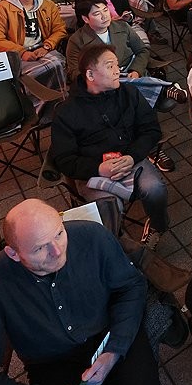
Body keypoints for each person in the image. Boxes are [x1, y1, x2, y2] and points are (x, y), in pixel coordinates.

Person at [0, 198, 160, 385]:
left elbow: (131, 286)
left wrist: (115, 350)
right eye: (40, 248)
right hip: (52, 363)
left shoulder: (93, 236)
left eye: (59, 233)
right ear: (13, 254)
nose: (57, 251)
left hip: (109, 334)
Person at [50, 45, 169, 250]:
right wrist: (98, 168)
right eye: (110, 65)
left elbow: (151, 129)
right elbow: (64, 160)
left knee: (155, 189)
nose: (117, 70)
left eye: (117, 64)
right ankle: (123, 251)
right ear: (90, 74)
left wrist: (132, 156)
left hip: (131, 158)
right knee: (110, 208)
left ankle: (158, 226)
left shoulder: (129, 93)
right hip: (93, 171)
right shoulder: (67, 112)